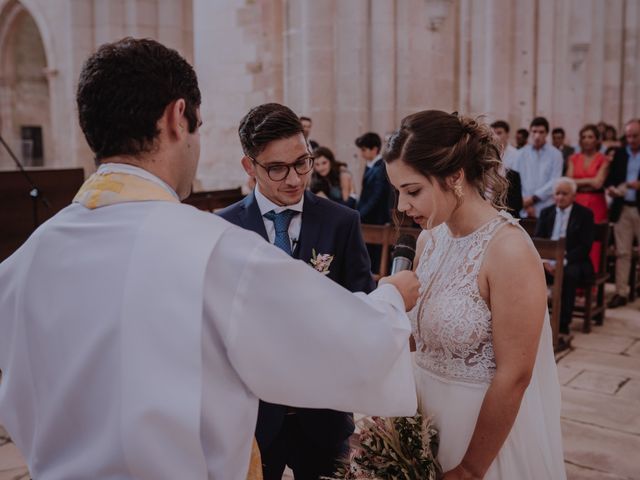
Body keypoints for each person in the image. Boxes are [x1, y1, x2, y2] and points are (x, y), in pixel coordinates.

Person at [0, 38, 420, 480]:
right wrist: (390, 297)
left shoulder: (23, 264)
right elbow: (349, 341)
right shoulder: (209, 249)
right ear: (177, 117)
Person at [384, 110, 566, 480]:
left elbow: (515, 374)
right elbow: (418, 344)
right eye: (398, 193)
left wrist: (470, 468)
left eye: (412, 191)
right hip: (423, 429)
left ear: (454, 176)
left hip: (480, 441)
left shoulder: (508, 250)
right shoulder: (428, 239)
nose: (403, 207)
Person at [218, 103, 375, 480]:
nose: (294, 179)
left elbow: (363, 307)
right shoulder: (222, 230)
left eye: (302, 162)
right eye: (276, 168)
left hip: (324, 414)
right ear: (249, 167)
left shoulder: (342, 222)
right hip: (251, 420)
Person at [536, 177, 595, 336]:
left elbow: (585, 246)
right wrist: (545, 261)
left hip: (574, 260)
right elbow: (538, 240)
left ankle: (562, 323)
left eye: (564, 194)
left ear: (574, 196)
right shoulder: (546, 212)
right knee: (529, 274)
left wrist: (563, 262)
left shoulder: (585, 215)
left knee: (569, 275)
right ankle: (535, 319)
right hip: (548, 260)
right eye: (557, 193)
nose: (560, 197)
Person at [606, 118, 640, 308]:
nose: (632, 139)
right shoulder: (620, 153)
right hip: (623, 207)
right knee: (623, 253)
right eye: (628, 136)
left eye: (635, 136)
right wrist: (611, 188)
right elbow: (610, 178)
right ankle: (621, 292)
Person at [566, 124, 609, 272]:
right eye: (584, 137)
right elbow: (568, 181)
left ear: (597, 140)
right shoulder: (573, 158)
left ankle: (591, 283)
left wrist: (578, 183)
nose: (587, 140)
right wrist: (589, 180)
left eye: (590, 137)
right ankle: (575, 286)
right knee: (575, 239)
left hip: (596, 203)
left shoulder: (603, 159)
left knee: (594, 243)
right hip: (576, 201)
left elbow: (598, 183)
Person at [355, 131, 393, 272]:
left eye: (364, 149)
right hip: (367, 218)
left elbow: (376, 197)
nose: (362, 153)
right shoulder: (370, 165)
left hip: (377, 219)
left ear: (374, 149)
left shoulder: (381, 167)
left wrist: (360, 214)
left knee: (377, 257)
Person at [513, 117, 563, 218]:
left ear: (547, 133)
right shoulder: (520, 154)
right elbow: (515, 180)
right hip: (524, 205)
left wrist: (534, 198)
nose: (537, 136)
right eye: (534, 131)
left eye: (541, 132)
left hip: (547, 205)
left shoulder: (556, 154)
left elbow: (555, 181)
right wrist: (525, 202)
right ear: (530, 132)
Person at [491, 120, 523, 218]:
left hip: (509, 199)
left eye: (499, 133)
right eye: (494, 133)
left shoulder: (517, 154)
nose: (496, 136)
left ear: (507, 134)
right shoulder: (488, 154)